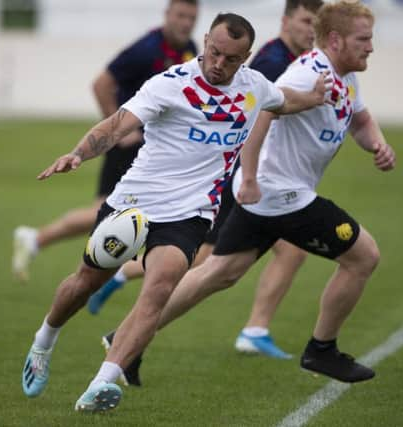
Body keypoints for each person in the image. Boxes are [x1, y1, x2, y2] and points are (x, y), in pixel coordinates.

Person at [21, 13, 331, 413]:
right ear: (206, 41)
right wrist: (79, 153)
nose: (219, 63)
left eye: (231, 59)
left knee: (161, 286)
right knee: (85, 282)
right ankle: (44, 339)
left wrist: (315, 96)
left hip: (190, 213)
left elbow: (284, 100)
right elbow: (117, 125)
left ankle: (102, 382)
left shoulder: (255, 87)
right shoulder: (171, 84)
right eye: (214, 52)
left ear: (246, 57)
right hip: (133, 203)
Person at [119, 0, 396, 385]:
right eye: (363, 39)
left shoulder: (345, 74)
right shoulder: (307, 73)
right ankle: (322, 350)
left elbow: (361, 118)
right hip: (280, 193)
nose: (370, 47)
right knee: (363, 255)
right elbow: (263, 110)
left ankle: (124, 340)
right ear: (335, 40)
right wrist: (248, 176)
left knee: (217, 272)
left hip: (272, 193)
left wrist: (377, 145)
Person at [89, 0, 323, 362]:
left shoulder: (285, 61)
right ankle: (130, 330)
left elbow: (274, 104)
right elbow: (256, 117)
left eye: (316, 24)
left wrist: (312, 99)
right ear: (286, 20)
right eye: (307, 21)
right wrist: (248, 176)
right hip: (232, 180)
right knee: (208, 265)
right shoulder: (272, 62)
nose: (312, 31)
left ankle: (130, 324)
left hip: (245, 179)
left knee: (220, 266)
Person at [12, 0, 199, 282]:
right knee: (106, 212)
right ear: (167, 15)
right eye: (181, 15)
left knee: (111, 211)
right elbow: (101, 83)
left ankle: (46, 246)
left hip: (155, 146)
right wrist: (121, 133)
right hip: (129, 145)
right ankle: (62, 256)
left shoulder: (190, 50)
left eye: (191, 17)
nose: (186, 22)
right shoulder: (146, 49)